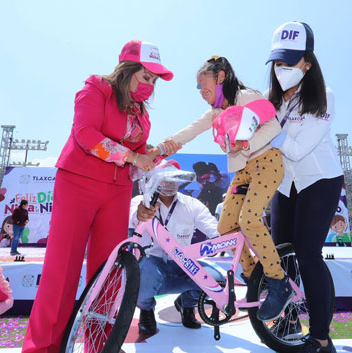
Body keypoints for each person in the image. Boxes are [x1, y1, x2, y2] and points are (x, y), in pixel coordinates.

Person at [22, 39, 173, 353]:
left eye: (155, 81)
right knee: (62, 270)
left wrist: (157, 155)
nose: (150, 86)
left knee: (109, 273)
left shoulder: (141, 113)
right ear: (128, 69)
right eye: (147, 77)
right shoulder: (96, 89)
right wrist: (133, 158)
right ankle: (43, 348)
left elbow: (138, 157)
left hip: (117, 191)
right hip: (78, 182)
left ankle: (101, 346)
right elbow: (85, 134)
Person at [163, 56, 288, 321]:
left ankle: (279, 282)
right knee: (225, 228)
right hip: (242, 173)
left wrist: (246, 145)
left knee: (249, 220)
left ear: (220, 77)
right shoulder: (215, 113)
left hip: (266, 163)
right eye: (197, 87)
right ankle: (255, 275)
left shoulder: (246, 96)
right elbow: (190, 131)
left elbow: (274, 125)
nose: (200, 91)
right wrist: (163, 148)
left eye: (203, 83)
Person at [266, 22, 343, 353]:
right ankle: (288, 324)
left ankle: (322, 337)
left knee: (308, 255)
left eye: (291, 63)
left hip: (319, 180)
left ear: (308, 64)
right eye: (278, 63)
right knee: (282, 257)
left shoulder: (324, 98)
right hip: (284, 185)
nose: (283, 70)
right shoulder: (273, 103)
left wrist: (265, 129)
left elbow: (296, 150)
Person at [130, 160, 220, 335]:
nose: (169, 183)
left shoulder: (192, 204)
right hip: (151, 263)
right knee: (145, 275)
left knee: (215, 279)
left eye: (174, 178)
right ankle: (146, 310)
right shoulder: (141, 201)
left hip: (183, 263)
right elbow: (132, 218)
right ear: (154, 179)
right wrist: (144, 210)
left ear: (180, 180)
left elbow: (215, 230)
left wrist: (226, 239)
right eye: (164, 178)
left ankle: (187, 305)